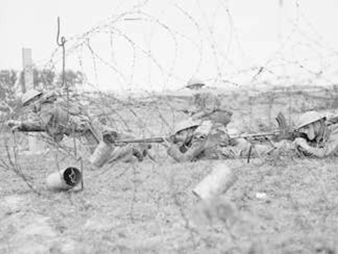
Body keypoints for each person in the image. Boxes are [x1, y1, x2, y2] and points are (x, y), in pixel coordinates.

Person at [6, 89, 100, 153]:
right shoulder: (46, 105)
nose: (29, 107)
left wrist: (20, 124)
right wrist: (20, 127)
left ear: (34, 99)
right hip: (75, 129)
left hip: (78, 128)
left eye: (28, 104)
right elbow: (42, 125)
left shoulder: (46, 107)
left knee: (98, 154)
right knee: (95, 152)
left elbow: (41, 125)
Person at [162, 119, 272, 162]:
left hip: (240, 150)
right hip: (235, 147)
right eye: (176, 136)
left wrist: (171, 149)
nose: (178, 138)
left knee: (273, 151)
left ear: (190, 130)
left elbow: (185, 159)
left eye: (181, 134)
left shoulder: (199, 137)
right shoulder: (199, 135)